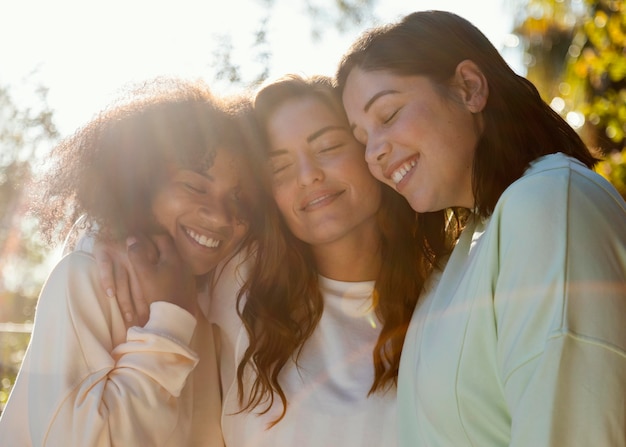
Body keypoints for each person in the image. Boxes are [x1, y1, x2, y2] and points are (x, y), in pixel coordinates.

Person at [101, 74, 451, 446]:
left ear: (370, 149)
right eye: (279, 168)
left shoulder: (450, 291)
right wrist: (111, 230)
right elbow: (164, 214)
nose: (308, 176)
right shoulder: (242, 277)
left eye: (328, 147)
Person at [336, 9, 626, 447]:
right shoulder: (462, 255)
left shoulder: (547, 202)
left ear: (469, 87)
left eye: (389, 114)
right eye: (361, 139)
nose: (374, 152)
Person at [0, 77, 268, 446]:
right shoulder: (87, 278)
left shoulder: (216, 299)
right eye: (195, 186)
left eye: (239, 198)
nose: (221, 216)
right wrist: (167, 326)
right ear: (142, 183)